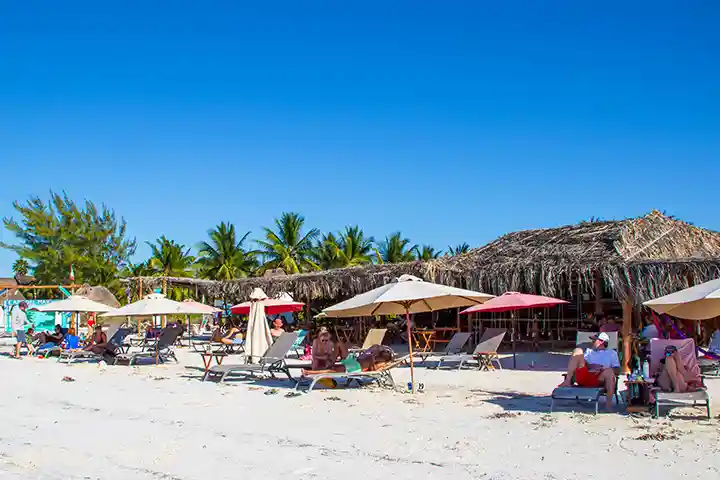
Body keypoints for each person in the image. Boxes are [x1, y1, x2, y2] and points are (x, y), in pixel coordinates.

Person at [559, 332, 620, 411]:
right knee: (577, 351)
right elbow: (581, 363)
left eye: (594, 340)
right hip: (585, 376)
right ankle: (567, 381)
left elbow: (617, 370)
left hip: (599, 378)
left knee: (609, 372)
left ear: (601, 341)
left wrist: (602, 368)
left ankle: (608, 405)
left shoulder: (612, 353)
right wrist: (590, 365)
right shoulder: (589, 351)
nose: (592, 342)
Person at [304, 345, 395, 375]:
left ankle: (308, 372)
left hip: (355, 367)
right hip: (354, 360)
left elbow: (374, 370)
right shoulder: (375, 353)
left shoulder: (381, 362)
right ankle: (327, 362)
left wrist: (372, 362)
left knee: (331, 370)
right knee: (339, 345)